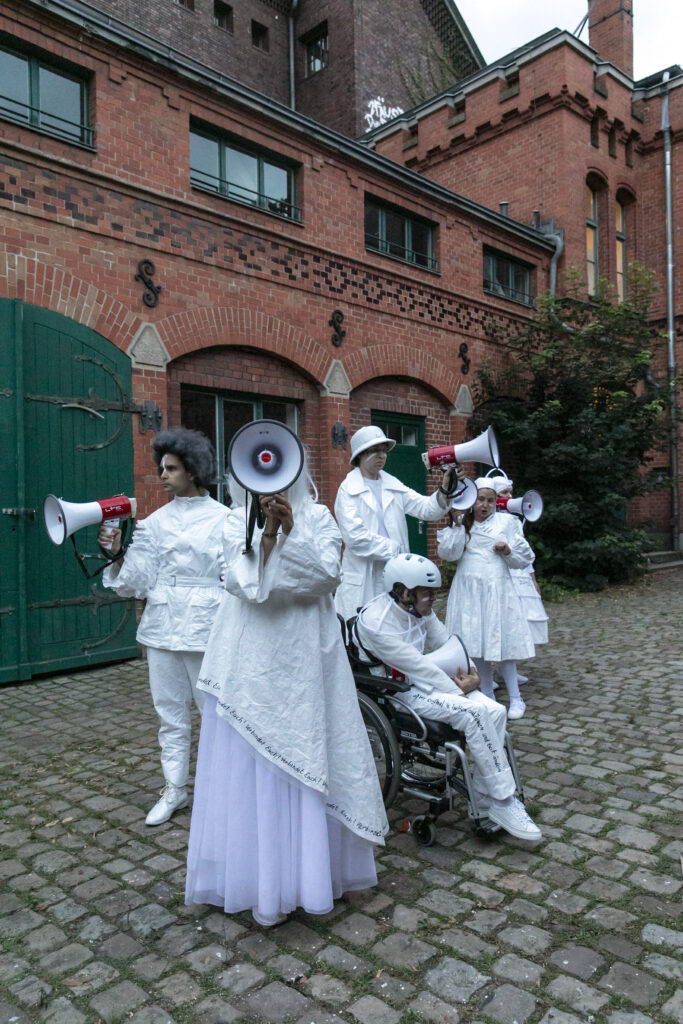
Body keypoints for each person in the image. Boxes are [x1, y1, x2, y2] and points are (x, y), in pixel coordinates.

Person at [185, 462, 388, 927]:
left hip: (304, 657)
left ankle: (318, 873)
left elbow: (325, 579)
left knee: (310, 747)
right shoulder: (235, 521)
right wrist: (267, 537)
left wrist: (292, 532)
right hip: (249, 658)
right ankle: (247, 877)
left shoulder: (317, 516)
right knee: (249, 763)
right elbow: (240, 583)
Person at [354, 553, 541, 841]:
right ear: (403, 592)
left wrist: (474, 675)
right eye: (426, 593)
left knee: (496, 711)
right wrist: (461, 690)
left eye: (433, 592)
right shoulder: (378, 625)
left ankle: (484, 796)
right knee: (475, 714)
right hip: (396, 692)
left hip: (423, 682)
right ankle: (504, 801)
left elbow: (447, 643)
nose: (432, 598)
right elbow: (418, 666)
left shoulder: (418, 609)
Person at [100, 428, 227, 826]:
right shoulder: (153, 523)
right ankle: (174, 787)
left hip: (207, 625)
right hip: (162, 626)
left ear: (193, 469)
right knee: (169, 714)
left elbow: (234, 578)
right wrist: (115, 553)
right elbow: (136, 581)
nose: (163, 474)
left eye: (171, 468)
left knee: (215, 714)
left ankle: (219, 790)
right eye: (161, 467)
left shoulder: (226, 519)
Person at [334, 425, 459, 621]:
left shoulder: (393, 484)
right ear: (360, 454)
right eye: (375, 450)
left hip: (395, 572)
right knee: (363, 629)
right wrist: (395, 549)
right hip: (365, 575)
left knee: (395, 625)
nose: (381, 455)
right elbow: (355, 538)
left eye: (384, 450)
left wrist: (444, 491)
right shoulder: (348, 490)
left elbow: (426, 509)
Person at [437, 480, 535, 720]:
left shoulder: (507, 523)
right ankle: (488, 693)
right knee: (475, 641)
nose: (485, 505)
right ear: (472, 500)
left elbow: (525, 557)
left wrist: (508, 550)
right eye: (480, 499)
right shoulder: (463, 523)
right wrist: (457, 525)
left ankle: (515, 697)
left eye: (490, 501)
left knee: (502, 643)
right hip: (468, 588)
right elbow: (448, 554)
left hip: (497, 587)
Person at [492, 475, 549, 656]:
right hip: (498, 574)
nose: (509, 496)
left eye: (510, 492)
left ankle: (507, 668)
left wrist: (532, 579)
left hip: (518, 575)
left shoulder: (514, 520)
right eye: (504, 492)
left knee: (517, 620)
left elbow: (523, 553)